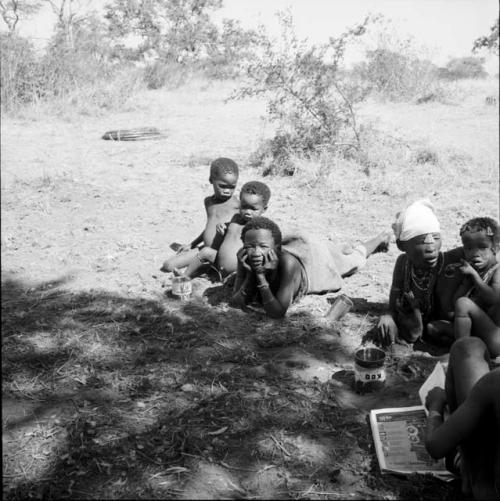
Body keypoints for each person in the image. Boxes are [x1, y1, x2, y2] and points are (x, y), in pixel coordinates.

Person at [231, 216, 391, 318]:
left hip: (314, 263)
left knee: (352, 261)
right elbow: (235, 303)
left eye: (263, 247)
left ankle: (380, 238)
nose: (256, 252)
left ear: (277, 249)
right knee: (336, 251)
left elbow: (277, 312)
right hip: (298, 245)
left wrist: (259, 276)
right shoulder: (245, 256)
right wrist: (251, 274)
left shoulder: (288, 264)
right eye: (250, 246)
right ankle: (340, 248)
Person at [377, 199, 464, 346]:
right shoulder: (403, 264)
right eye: (421, 241)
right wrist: (388, 316)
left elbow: (485, 248)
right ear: (401, 245)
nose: (431, 248)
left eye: (436, 238)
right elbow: (392, 305)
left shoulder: (450, 262)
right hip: (416, 327)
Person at [424, 337, 500, 499]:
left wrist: (436, 405)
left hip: (489, 492)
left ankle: (476, 478)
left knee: (467, 348)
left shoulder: (495, 381)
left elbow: (435, 447)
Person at [160, 157, 239, 276]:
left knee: (207, 261)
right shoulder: (209, 202)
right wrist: (192, 244)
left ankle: (201, 268)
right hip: (204, 249)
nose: (227, 191)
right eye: (222, 186)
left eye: (231, 187)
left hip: (220, 254)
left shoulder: (237, 206)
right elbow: (209, 227)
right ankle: (202, 266)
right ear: (211, 180)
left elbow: (239, 233)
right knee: (168, 265)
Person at [452, 217, 500, 357]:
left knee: (464, 304)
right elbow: (455, 303)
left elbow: (493, 298)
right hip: (480, 334)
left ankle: (462, 353)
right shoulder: (476, 272)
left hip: (496, 338)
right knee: (435, 327)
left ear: (495, 248)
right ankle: (468, 348)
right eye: (469, 248)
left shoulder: (497, 270)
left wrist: (474, 276)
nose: (475, 253)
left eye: (483, 247)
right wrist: (466, 282)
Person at [215, 181, 271, 277]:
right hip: (217, 266)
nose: (247, 212)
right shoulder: (236, 218)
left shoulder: (259, 228)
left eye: (253, 209)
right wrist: (222, 226)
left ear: (264, 209)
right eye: (244, 207)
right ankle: (185, 276)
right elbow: (230, 228)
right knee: (205, 252)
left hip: (239, 273)